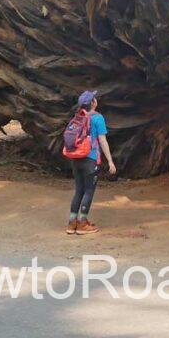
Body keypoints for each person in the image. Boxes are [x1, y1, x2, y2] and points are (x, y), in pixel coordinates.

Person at [67, 90, 115, 234]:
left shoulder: (78, 117)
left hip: (75, 159)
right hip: (90, 159)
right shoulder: (98, 118)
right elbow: (102, 140)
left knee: (79, 190)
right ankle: (82, 224)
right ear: (93, 103)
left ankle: (72, 223)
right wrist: (110, 161)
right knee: (89, 191)